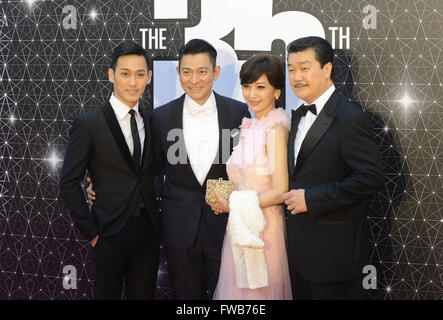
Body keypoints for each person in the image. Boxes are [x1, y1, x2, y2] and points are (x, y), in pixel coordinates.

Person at [282, 36, 385, 300]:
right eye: (291, 69)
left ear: (326, 70)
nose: (296, 77)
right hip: (297, 256)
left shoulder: (350, 117)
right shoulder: (296, 114)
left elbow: (370, 178)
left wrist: (312, 198)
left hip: (334, 259)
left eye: (304, 68)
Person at [150, 39, 250, 299]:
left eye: (202, 71)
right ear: (178, 73)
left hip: (226, 227)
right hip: (179, 228)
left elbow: (247, 168)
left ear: (215, 73)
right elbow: (147, 169)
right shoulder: (160, 117)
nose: (194, 80)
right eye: (187, 72)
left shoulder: (238, 112)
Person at [60, 41, 160, 300]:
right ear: (111, 75)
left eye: (140, 74)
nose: (133, 82)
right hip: (108, 233)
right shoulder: (88, 123)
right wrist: (92, 233)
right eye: (125, 73)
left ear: (149, 77)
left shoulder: (151, 120)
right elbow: (69, 182)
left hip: (148, 233)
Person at [208, 53, 293, 300]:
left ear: (276, 91)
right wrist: (224, 199)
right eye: (247, 86)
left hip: (264, 231)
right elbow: (245, 181)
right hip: (239, 227)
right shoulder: (249, 126)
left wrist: (232, 204)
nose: (252, 94)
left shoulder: (276, 129)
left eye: (260, 87)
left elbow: (279, 190)